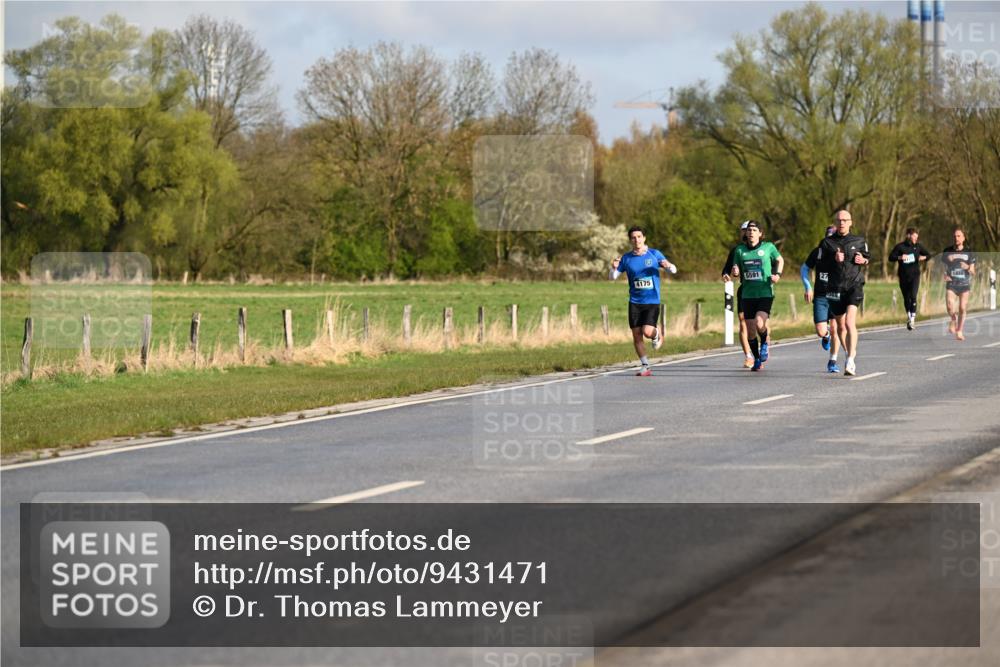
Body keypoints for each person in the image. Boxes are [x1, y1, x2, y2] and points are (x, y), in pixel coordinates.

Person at [610, 226, 677, 376]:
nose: (637, 240)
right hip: (634, 301)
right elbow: (612, 277)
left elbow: (674, 270)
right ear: (630, 240)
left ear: (644, 238)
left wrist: (668, 266)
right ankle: (645, 365)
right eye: (633, 237)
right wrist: (612, 268)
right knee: (636, 335)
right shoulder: (626, 258)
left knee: (647, 331)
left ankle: (657, 334)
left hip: (652, 300)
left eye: (639, 237)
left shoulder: (654, 254)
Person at [816, 209, 870, 376]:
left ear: (851, 222)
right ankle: (848, 352)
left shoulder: (859, 241)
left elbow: (867, 257)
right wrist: (833, 259)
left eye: (845, 220)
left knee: (849, 323)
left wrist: (864, 260)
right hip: (834, 288)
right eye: (839, 220)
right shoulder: (826, 243)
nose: (842, 223)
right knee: (840, 326)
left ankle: (851, 360)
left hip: (854, 286)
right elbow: (820, 266)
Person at [728, 221, 783, 372]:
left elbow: (780, 260)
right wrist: (735, 272)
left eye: (754, 230)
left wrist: (777, 274)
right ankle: (757, 358)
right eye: (749, 230)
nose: (751, 232)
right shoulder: (740, 250)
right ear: (746, 233)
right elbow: (735, 270)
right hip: (747, 294)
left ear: (760, 233)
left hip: (765, 292)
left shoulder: (768, 247)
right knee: (751, 331)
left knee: (760, 323)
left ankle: (765, 341)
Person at [801, 225, 845, 372]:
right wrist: (808, 287)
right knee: (821, 331)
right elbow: (804, 268)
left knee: (835, 328)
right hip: (820, 295)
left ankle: (832, 361)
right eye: (828, 238)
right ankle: (825, 337)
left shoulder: (842, 252)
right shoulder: (818, 252)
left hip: (836, 294)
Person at [722, 221, 755, 368]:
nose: (746, 233)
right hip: (744, 289)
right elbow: (726, 268)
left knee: (760, 324)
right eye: (743, 230)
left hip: (761, 289)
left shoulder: (764, 248)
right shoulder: (737, 250)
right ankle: (748, 356)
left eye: (748, 230)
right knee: (743, 321)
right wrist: (726, 275)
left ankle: (764, 344)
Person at [888, 227, 931, 330]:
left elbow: (929, 255)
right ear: (908, 235)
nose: (916, 238)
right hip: (903, 276)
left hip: (915, 276)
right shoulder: (900, 247)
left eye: (917, 236)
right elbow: (890, 257)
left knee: (913, 296)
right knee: (906, 298)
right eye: (914, 236)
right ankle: (909, 317)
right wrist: (900, 257)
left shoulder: (918, 247)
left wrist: (923, 258)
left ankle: (912, 320)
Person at [942, 228, 976, 341]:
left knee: (962, 307)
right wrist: (944, 274)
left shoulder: (969, 252)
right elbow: (943, 267)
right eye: (955, 236)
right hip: (951, 283)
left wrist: (967, 267)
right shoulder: (947, 251)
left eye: (958, 236)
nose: (956, 238)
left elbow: (973, 271)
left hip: (964, 284)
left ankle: (959, 331)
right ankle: (953, 318)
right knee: (949, 306)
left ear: (963, 238)